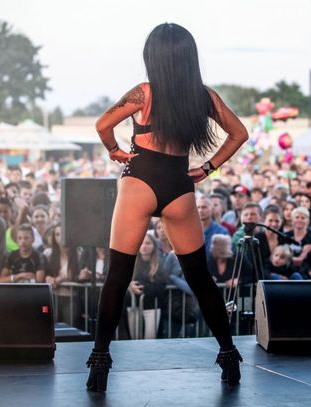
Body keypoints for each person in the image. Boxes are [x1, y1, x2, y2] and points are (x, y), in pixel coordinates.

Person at [86, 23, 248, 392]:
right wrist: (208, 168)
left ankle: (99, 362)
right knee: (200, 278)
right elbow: (239, 133)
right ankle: (228, 356)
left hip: (139, 183)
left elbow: (102, 124)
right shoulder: (203, 97)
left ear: (153, 56)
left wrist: (113, 150)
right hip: (179, 188)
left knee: (118, 276)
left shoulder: (144, 93)